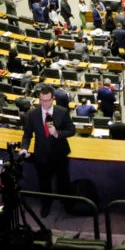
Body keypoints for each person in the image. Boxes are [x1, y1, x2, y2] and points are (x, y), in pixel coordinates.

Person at [18, 85, 75, 216]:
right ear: (39, 99)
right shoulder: (32, 115)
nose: (45, 104)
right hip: (41, 156)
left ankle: (67, 204)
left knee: (63, 182)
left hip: (60, 155)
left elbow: (71, 130)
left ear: (53, 99)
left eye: (48, 100)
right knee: (44, 183)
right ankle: (46, 204)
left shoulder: (62, 111)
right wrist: (24, 148)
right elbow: (27, 135)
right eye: (42, 100)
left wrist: (57, 133)